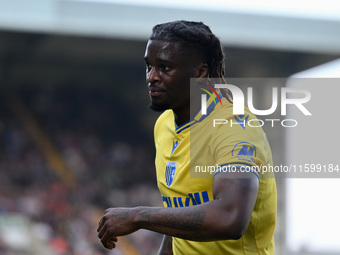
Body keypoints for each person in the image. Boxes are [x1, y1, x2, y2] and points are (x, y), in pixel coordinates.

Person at [97, 20, 277, 255]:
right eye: (148, 66)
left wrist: (137, 215)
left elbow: (230, 217)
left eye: (165, 67)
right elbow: (178, 218)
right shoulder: (164, 125)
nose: (152, 77)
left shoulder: (233, 126)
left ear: (200, 73)